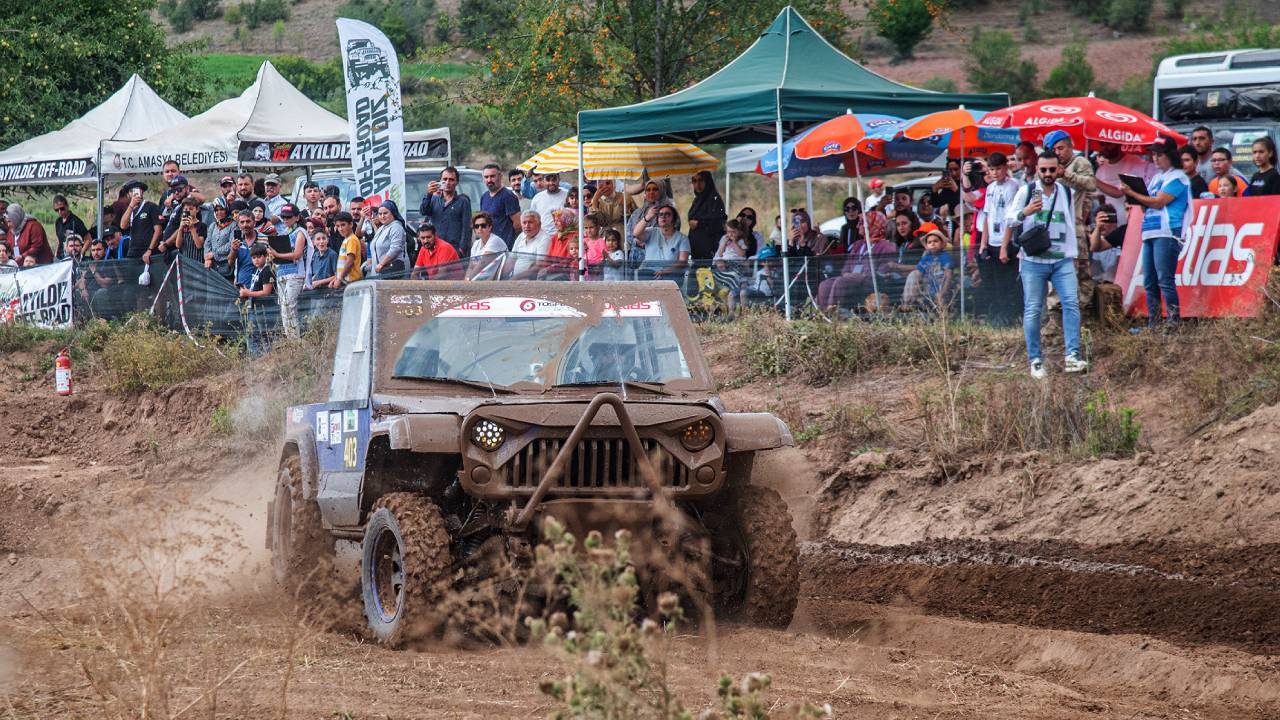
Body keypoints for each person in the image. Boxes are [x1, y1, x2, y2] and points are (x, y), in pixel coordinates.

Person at [1002, 150, 1087, 379]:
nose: (1048, 174)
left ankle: (1072, 355)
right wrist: (1025, 211)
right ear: (1037, 170)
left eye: (1052, 169)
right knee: (1033, 309)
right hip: (1033, 261)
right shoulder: (1026, 190)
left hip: (1061, 259)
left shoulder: (1066, 193)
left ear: (1058, 169)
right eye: (1043, 170)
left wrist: (1074, 253)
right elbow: (1009, 219)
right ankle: (1036, 360)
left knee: (1071, 303)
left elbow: (1071, 223)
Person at [1122, 137, 1190, 328]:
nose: (1155, 158)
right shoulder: (1156, 178)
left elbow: (1159, 202)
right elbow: (1147, 206)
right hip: (1150, 230)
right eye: (1153, 154)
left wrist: (1133, 193)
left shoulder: (1178, 177)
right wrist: (1134, 197)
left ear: (1170, 156)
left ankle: (1173, 322)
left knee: (1165, 279)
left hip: (1168, 231)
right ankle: (1154, 322)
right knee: (1150, 281)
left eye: (1160, 155)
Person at [1044, 130, 1097, 310]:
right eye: (1054, 149)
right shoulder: (1049, 167)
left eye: (1061, 148)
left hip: (1074, 225)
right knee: (1057, 267)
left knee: (1081, 267)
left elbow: (1090, 184)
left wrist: (1066, 174)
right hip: (1055, 227)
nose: (1057, 152)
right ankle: (1057, 308)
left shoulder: (1080, 162)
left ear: (1070, 146)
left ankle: (1083, 306)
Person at [976, 152, 1022, 326]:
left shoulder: (1013, 186)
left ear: (1006, 167)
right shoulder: (991, 188)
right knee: (993, 283)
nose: (995, 173)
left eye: (998, 169)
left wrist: (1004, 246)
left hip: (1007, 240)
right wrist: (983, 244)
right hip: (992, 240)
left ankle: (1010, 317)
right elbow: (987, 215)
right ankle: (998, 317)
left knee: (1007, 283)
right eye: (991, 169)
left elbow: (1011, 218)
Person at [816, 211, 893, 311]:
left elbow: (883, 271)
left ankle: (833, 314)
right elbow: (845, 268)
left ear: (872, 225)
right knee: (825, 284)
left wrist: (862, 276)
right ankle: (821, 314)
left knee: (841, 282)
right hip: (851, 279)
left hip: (870, 282)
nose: (857, 226)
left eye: (861, 223)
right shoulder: (858, 244)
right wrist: (848, 274)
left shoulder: (886, 246)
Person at [270, 203, 309, 338]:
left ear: (297, 217)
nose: (285, 220)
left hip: (295, 273)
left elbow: (297, 254)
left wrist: (277, 254)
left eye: (288, 217)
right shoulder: (284, 232)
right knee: (284, 309)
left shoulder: (300, 232)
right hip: (282, 273)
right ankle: (290, 339)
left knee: (289, 307)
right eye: (283, 217)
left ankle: (295, 340)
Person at [1093, 141, 1156, 223]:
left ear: (1118, 143)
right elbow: (1101, 197)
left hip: (1133, 220)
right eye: (1102, 144)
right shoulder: (1101, 170)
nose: (1105, 148)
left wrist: (1093, 180)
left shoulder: (1135, 163)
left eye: (1108, 144)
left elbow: (1118, 193)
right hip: (1111, 223)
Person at [421, 166, 473, 257]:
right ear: (440, 181)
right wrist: (429, 194)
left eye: (451, 179)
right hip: (436, 248)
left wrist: (462, 249)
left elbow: (467, 228)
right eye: (445, 179)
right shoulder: (434, 199)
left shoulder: (463, 201)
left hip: (454, 249)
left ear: (457, 182)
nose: (448, 182)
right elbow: (423, 211)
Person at [632, 203, 689, 279]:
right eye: (660, 215)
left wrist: (665, 272)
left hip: (671, 277)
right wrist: (648, 217)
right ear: (657, 219)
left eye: (667, 214)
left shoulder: (682, 238)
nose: (663, 217)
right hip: (649, 275)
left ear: (674, 218)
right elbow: (636, 233)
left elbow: (683, 262)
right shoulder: (651, 232)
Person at [239, 244, 275, 353]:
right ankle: (256, 355)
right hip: (254, 306)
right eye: (254, 258)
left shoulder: (267, 270)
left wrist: (248, 293)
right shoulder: (256, 270)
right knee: (253, 332)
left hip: (264, 308)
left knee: (264, 333)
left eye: (259, 257)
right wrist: (246, 291)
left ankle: (267, 354)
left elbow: (266, 292)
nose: (256, 260)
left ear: (265, 256)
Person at [687, 171, 727, 260]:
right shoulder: (698, 199)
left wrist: (699, 223)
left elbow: (720, 222)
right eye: (694, 181)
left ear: (707, 181)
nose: (697, 184)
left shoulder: (714, 199)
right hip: (697, 245)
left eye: (701, 180)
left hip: (710, 246)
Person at [480, 164, 521, 245]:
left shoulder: (508, 196)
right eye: (486, 177)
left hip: (504, 247)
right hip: (488, 245)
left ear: (500, 176)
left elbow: (518, 225)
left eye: (492, 176)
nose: (489, 180)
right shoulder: (484, 197)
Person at [365, 201, 408, 278]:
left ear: (393, 213)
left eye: (385, 213)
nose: (382, 216)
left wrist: (381, 264)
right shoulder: (382, 228)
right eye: (380, 214)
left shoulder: (396, 227)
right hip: (379, 273)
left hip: (391, 273)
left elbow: (395, 248)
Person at [507, 211, 552, 279]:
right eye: (524, 223)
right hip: (514, 279)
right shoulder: (521, 236)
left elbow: (539, 266)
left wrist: (516, 278)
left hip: (531, 282)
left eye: (530, 222)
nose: (527, 226)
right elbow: (511, 260)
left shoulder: (545, 239)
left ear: (539, 224)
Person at [467, 211, 509, 280]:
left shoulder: (494, 240)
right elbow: (470, 266)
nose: (479, 228)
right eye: (476, 226)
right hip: (480, 279)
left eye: (483, 225)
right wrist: (466, 279)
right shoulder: (476, 244)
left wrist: (469, 280)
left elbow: (482, 264)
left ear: (490, 227)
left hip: (496, 281)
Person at [1088, 207, 1126, 283]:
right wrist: (1098, 228)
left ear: (1114, 221)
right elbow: (1096, 265)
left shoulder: (1122, 233)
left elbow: (1118, 265)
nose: (1103, 225)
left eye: (1105, 221)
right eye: (1100, 221)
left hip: (1120, 279)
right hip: (1104, 280)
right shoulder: (1098, 239)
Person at [327, 211, 364, 288]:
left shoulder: (352, 239)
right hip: (347, 281)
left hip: (352, 281)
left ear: (351, 224)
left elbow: (349, 261)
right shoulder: (346, 239)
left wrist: (339, 278)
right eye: (338, 226)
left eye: (343, 225)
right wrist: (336, 278)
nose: (340, 229)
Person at [204, 198, 237, 281]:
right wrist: (207, 258)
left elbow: (231, 244)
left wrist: (214, 253)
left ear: (226, 209)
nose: (219, 212)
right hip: (213, 266)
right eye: (216, 210)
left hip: (227, 266)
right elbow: (207, 243)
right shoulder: (213, 225)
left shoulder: (233, 225)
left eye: (222, 209)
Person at [166, 197, 207, 262]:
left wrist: (192, 228)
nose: (188, 211)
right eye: (185, 209)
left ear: (197, 210)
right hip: (185, 262)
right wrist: (180, 229)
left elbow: (199, 245)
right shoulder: (183, 225)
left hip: (197, 262)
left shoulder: (202, 226)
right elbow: (178, 245)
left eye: (191, 209)